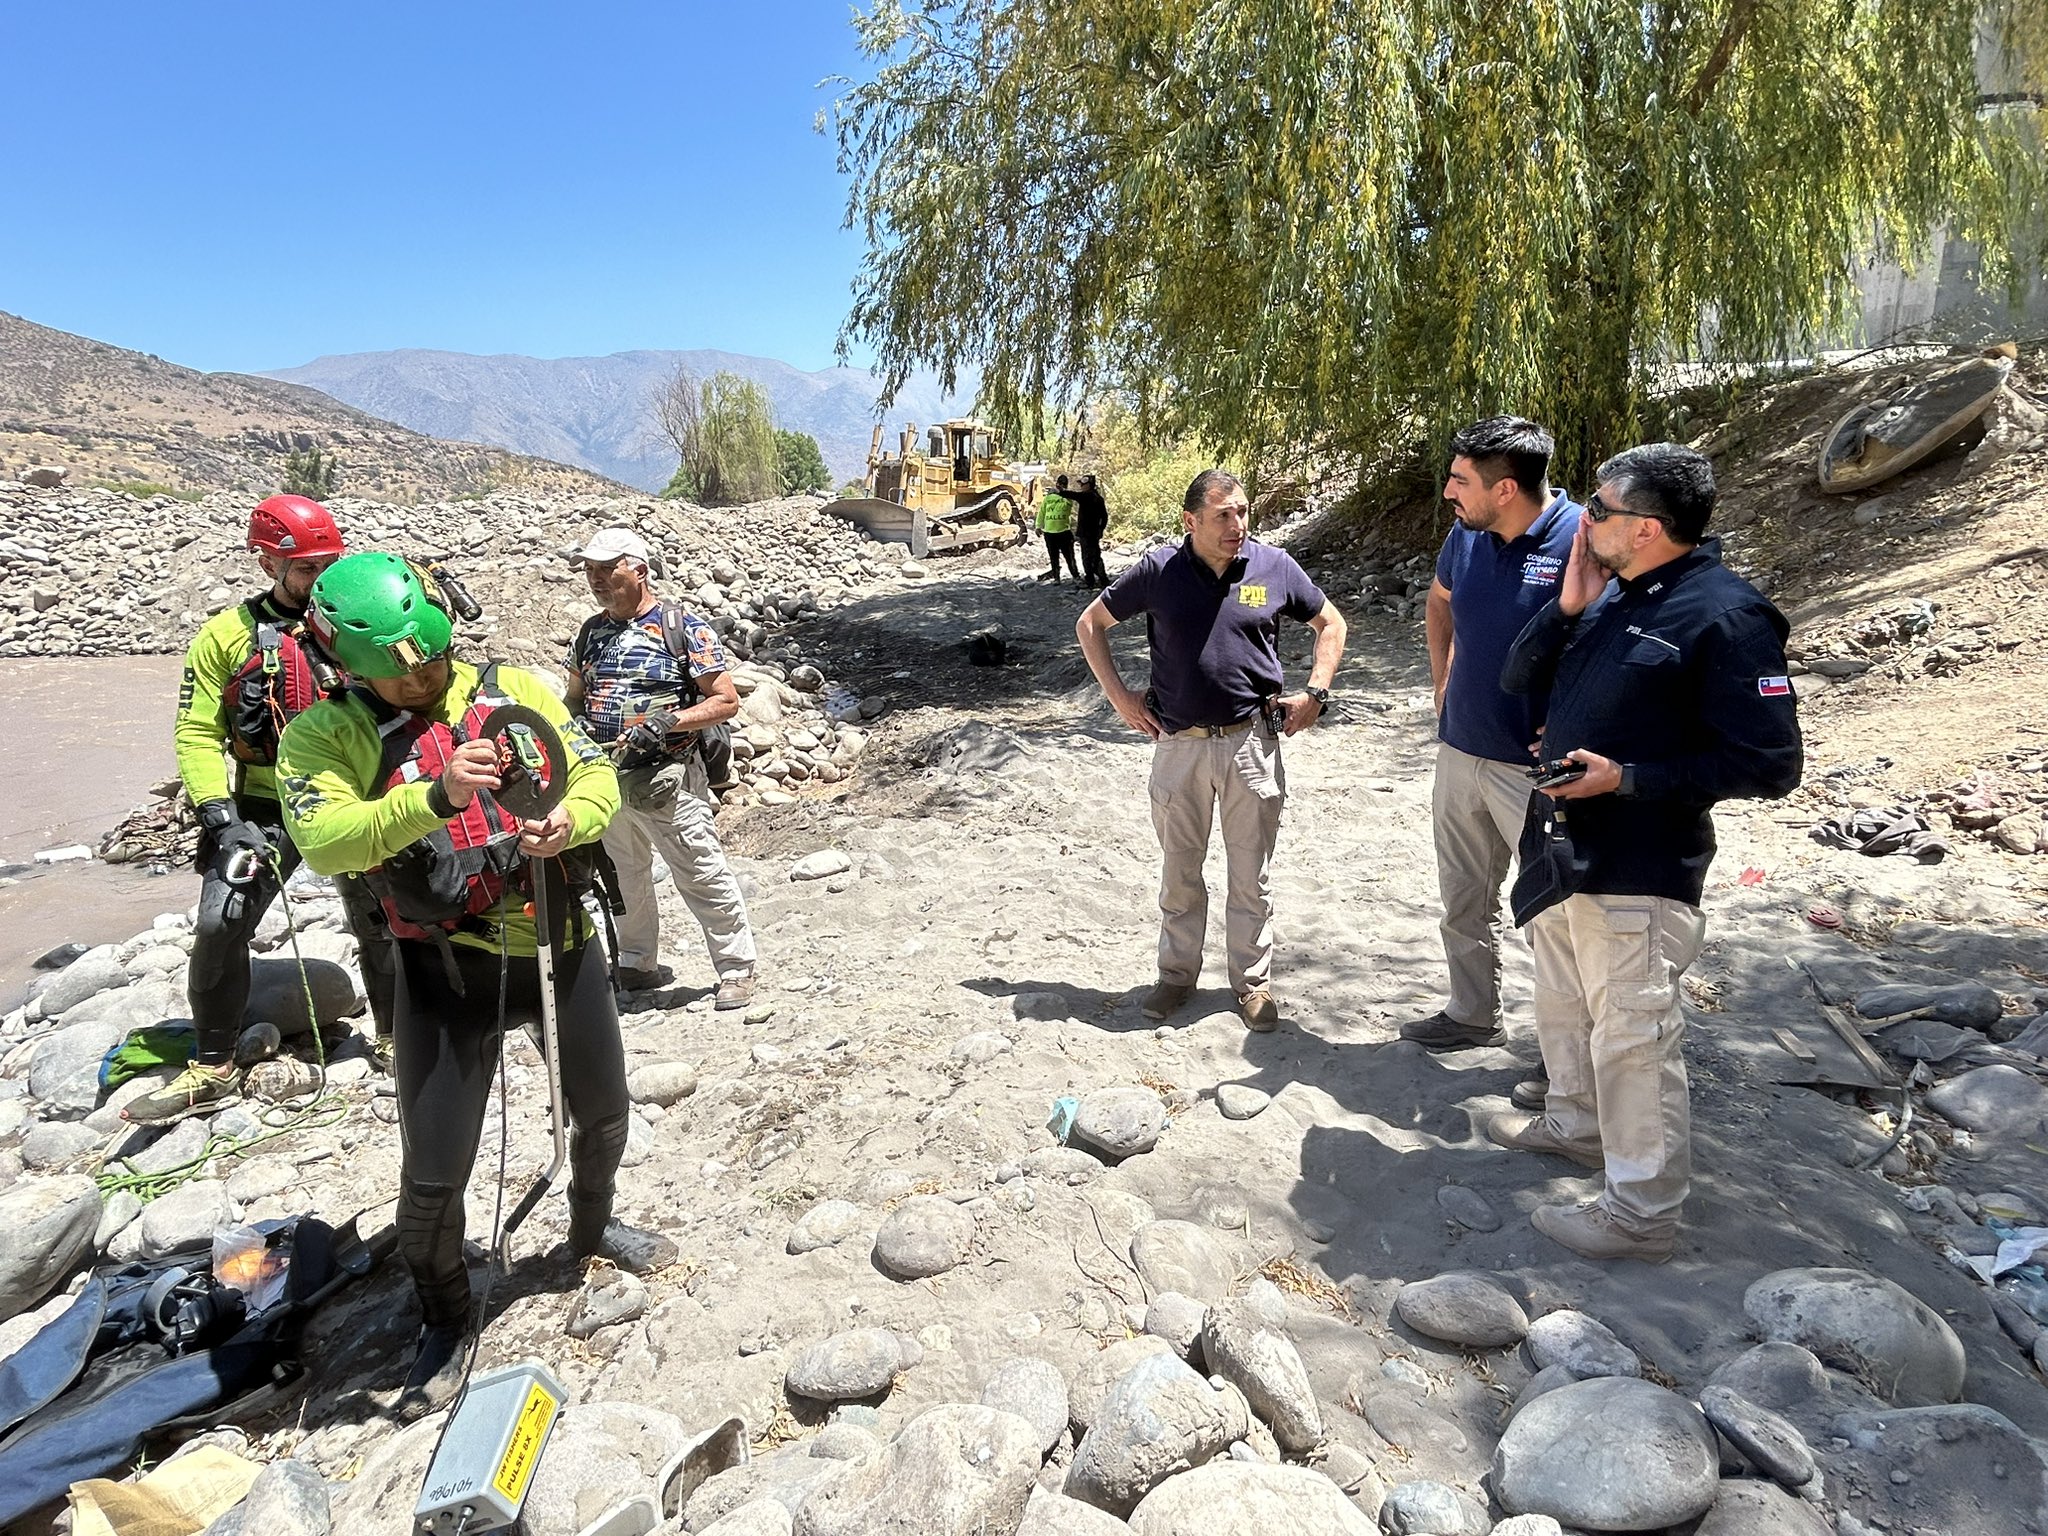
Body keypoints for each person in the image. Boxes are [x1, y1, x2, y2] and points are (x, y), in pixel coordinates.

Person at [277, 552, 674, 1418]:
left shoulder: (509, 689)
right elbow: (326, 840)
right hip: (443, 972)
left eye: (432, 660)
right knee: (433, 1170)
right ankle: (445, 1318)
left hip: (557, 943)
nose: (424, 679)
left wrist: (580, 814)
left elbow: (594, 769)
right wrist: (431, 796)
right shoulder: (322, 734)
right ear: (349, 665)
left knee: (604, 1110)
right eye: (403, 673)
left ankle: (591, 1226)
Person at [1487, 443, 1802, 1262]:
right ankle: (1576, 1124)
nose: (1583, 520)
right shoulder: (1611, 594)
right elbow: (1518, 680)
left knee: (1632, 1036)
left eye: (1599, 510)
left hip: (1640, 866)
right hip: (1564, 852)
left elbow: (1771, 765)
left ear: (1649, 528)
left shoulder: (1726, 616)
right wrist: (1565, 608)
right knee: (1565, 1001)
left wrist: (1628, 778)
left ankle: (1641, 1215)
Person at [130, 495, 394, 1125]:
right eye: (307, 568)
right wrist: (218, 816)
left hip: (352, 798)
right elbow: (197, 732)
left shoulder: (358, 622)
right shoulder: (225, 637)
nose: (321, 578)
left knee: (385, 919)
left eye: (330, 563)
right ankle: (215, 1064)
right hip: (262, 806)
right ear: (268, 563)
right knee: (220, 926)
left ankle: (394, 1037)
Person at [1076, 469, 1347, 1030]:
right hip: (1180, 746)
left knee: (1252, 874)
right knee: (1181, 871)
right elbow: (1090, 623)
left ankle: (1252, 984)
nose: (1237, 524)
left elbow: (1331, 622)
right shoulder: (1158, 570)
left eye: (1243, 511)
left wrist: (1316, 692)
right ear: (1191, 520)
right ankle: (1176, 977)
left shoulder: (1273, 567)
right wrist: (1120, 698)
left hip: (1253, 743)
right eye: (1223, 514)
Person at [1401, 418, 1582, 1115]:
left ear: (1505, 489)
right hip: (1460, 751)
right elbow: (1440, 601)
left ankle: (1568, 1061)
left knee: (1556, 921)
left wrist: (1580, 725)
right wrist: (1440, 681)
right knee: (1463, 898)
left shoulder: (1582, 541)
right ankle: (1472, 1014)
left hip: (1537, 776)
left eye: (1461, 480)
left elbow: (1615, 642)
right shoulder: (1466, 536)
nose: (1448, 490)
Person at [566, 527, 758, 1007]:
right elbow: (573, 699)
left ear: (640, 570)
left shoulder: (682, 628)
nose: (597, 579)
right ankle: (636, 962)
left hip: (667, 777)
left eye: (608, 570)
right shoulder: (590, 633)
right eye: (590, 570)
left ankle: (736, 968)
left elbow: (725, 700)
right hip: (606, 781)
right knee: (624, 874)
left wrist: (670, 721)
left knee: (699, 871)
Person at [1037, 476, 1082, 585]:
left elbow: (1069, 505)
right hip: (1049, 532)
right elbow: (1042, 512)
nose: (1060, 485)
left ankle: (1075, 576)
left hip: (1064, 532)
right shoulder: (1048, 498)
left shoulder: (1067, 498)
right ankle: (1057, 578)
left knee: (1069, 556)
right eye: (1059, 483)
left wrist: (1062, 492)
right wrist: (1038, 526)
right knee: (1053, 557)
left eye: (1063, 484)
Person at [1072, 473, 1111, 589]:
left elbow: (1071, 495)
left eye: (1082, 484)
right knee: (1096, 555)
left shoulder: (1085, 497)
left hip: (1086, 533)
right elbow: (1104, 517)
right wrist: (1101, 530)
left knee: (1087, 557)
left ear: (1088, 485)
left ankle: (1090, 581)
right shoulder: (1098, 498)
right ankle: (1103, 579)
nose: (1081, 487)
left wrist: (1061, 491)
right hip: (1094, 534)